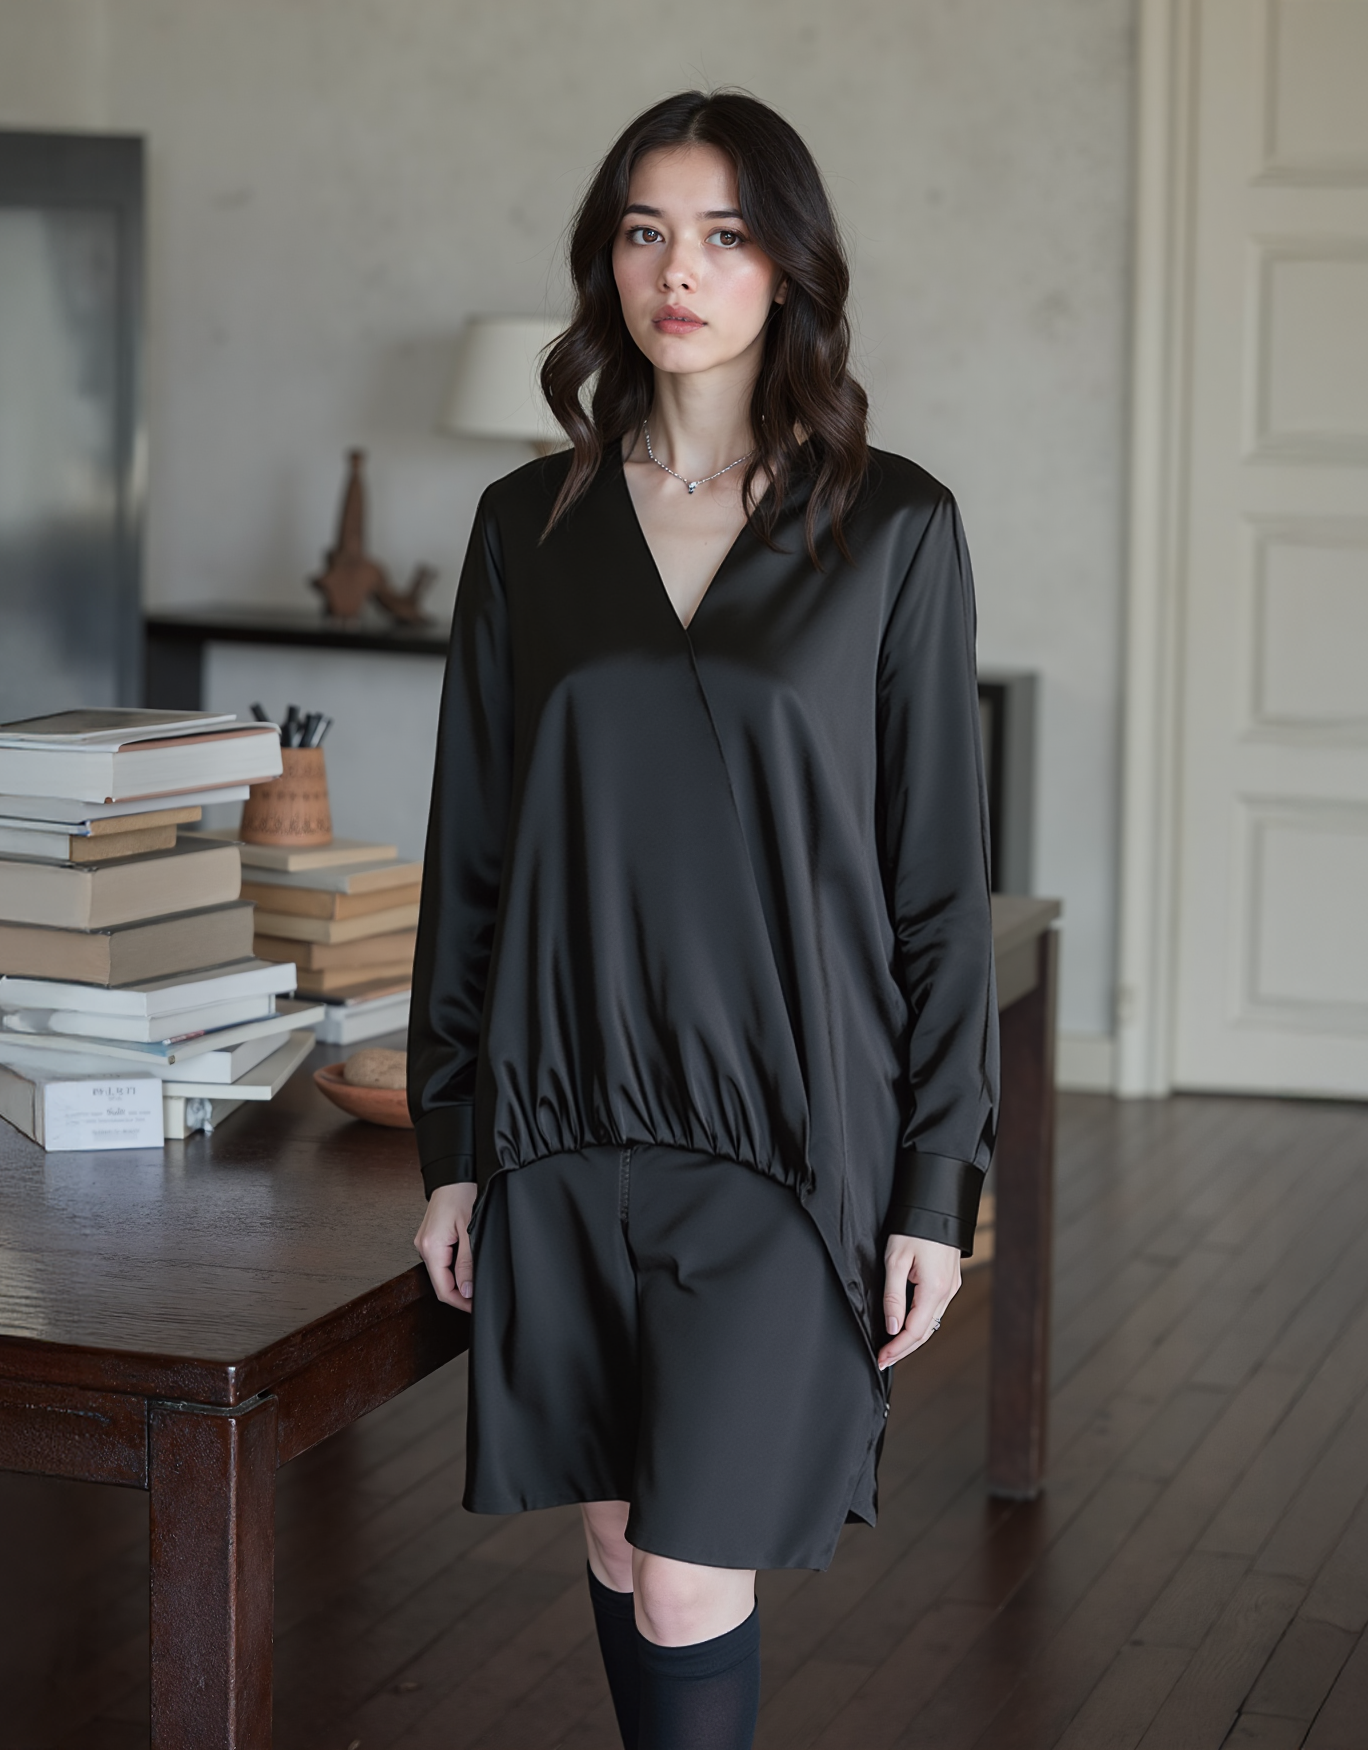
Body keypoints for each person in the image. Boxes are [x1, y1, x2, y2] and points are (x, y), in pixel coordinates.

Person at [410, 88, 998, 1750]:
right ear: (608, 263)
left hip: (785, 1135)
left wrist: (932, 1184)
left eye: (727, 233)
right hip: (561, 1119)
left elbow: (934, 883)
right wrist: (452, 1138)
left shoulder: (892, 527)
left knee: (683, 1569)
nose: (684, 268)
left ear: (788, 267)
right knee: (612, 1529)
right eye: (647, 230)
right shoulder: (525, 530)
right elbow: (473, 854)